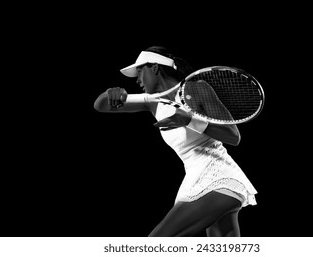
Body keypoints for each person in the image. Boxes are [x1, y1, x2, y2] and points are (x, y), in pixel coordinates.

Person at [94, 46, 257, 237]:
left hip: (218, 178)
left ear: (154, 68)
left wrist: (189, 120)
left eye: (140, 72)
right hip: (196, 178)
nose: (137, 80)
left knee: (157, 242)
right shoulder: (151, 101)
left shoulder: (196, 89)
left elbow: (233, 136)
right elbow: (101, 105)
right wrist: (111, 93)